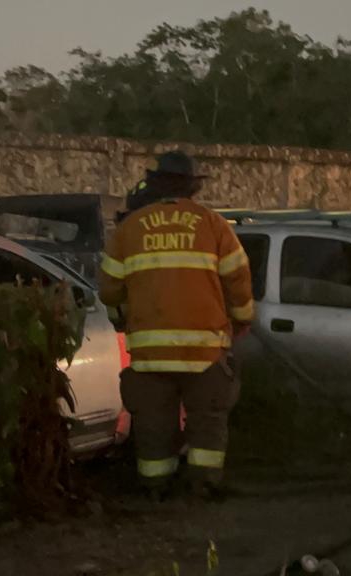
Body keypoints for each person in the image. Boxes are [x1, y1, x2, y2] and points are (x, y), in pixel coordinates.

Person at [97, 150, 254, 500]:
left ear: (154, 184)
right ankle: (203, 488)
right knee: (208, 422)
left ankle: (156, 490)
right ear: (192, 188)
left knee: (153, 426)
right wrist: (242, 319)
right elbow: (239, 279)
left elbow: (108, 291)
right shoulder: (213, 224)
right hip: (204, 352)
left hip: (150, 354)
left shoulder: (129, 229)